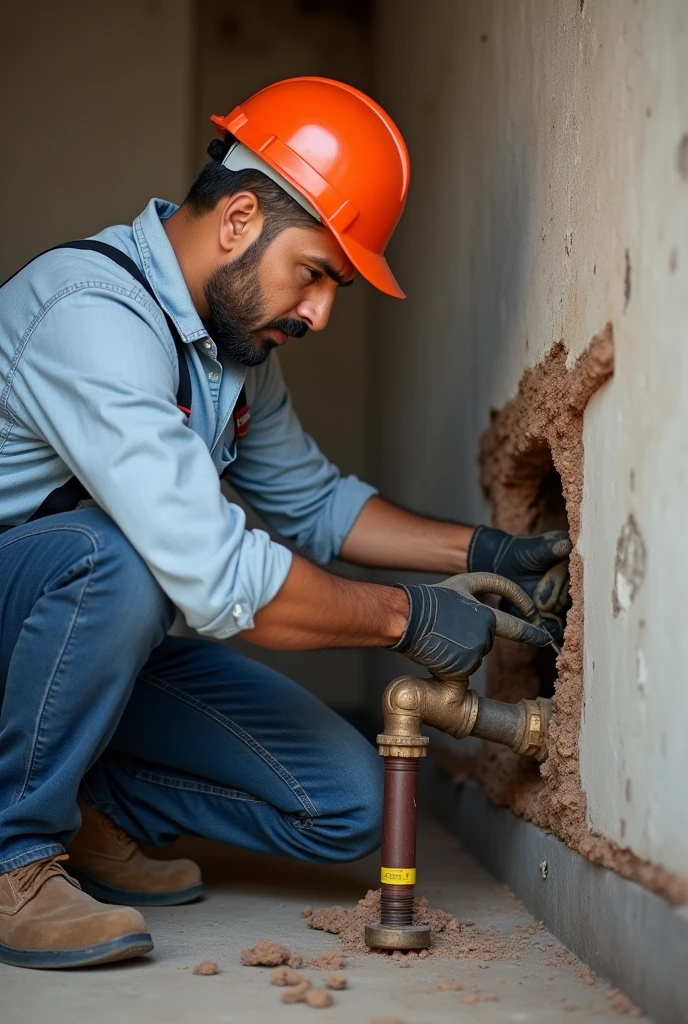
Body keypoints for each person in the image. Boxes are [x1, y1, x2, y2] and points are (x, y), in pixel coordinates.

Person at [0, 77, 570, 969]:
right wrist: (406, 618)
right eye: (313, 273)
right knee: (116, 561)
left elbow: (317, 504)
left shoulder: (236, 356)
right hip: (35, 616)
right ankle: (15, 855)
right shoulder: (91, 317)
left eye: (335, 287)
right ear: (236, 220)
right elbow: (217, 574)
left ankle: (77, 808)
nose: (320, 312)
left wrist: (486, 549)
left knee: (346, 800)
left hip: (89, 647)